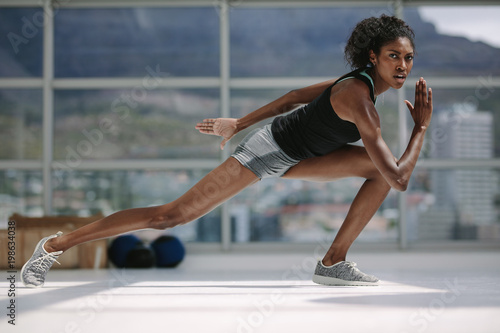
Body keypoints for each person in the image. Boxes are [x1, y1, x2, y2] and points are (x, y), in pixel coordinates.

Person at [21, 14, 432, 288]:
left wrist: (237, 122)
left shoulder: (358, 84)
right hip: (268, 152)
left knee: (376, 171)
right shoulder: (358, 97)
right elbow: (402, 179)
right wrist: (421, 128)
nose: (401, 65)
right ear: (373, 57)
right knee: (169, 217)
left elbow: (292, 97)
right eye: (393, 56)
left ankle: (332, 263)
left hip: (301, 156)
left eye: (408, 58)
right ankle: (55, 245)